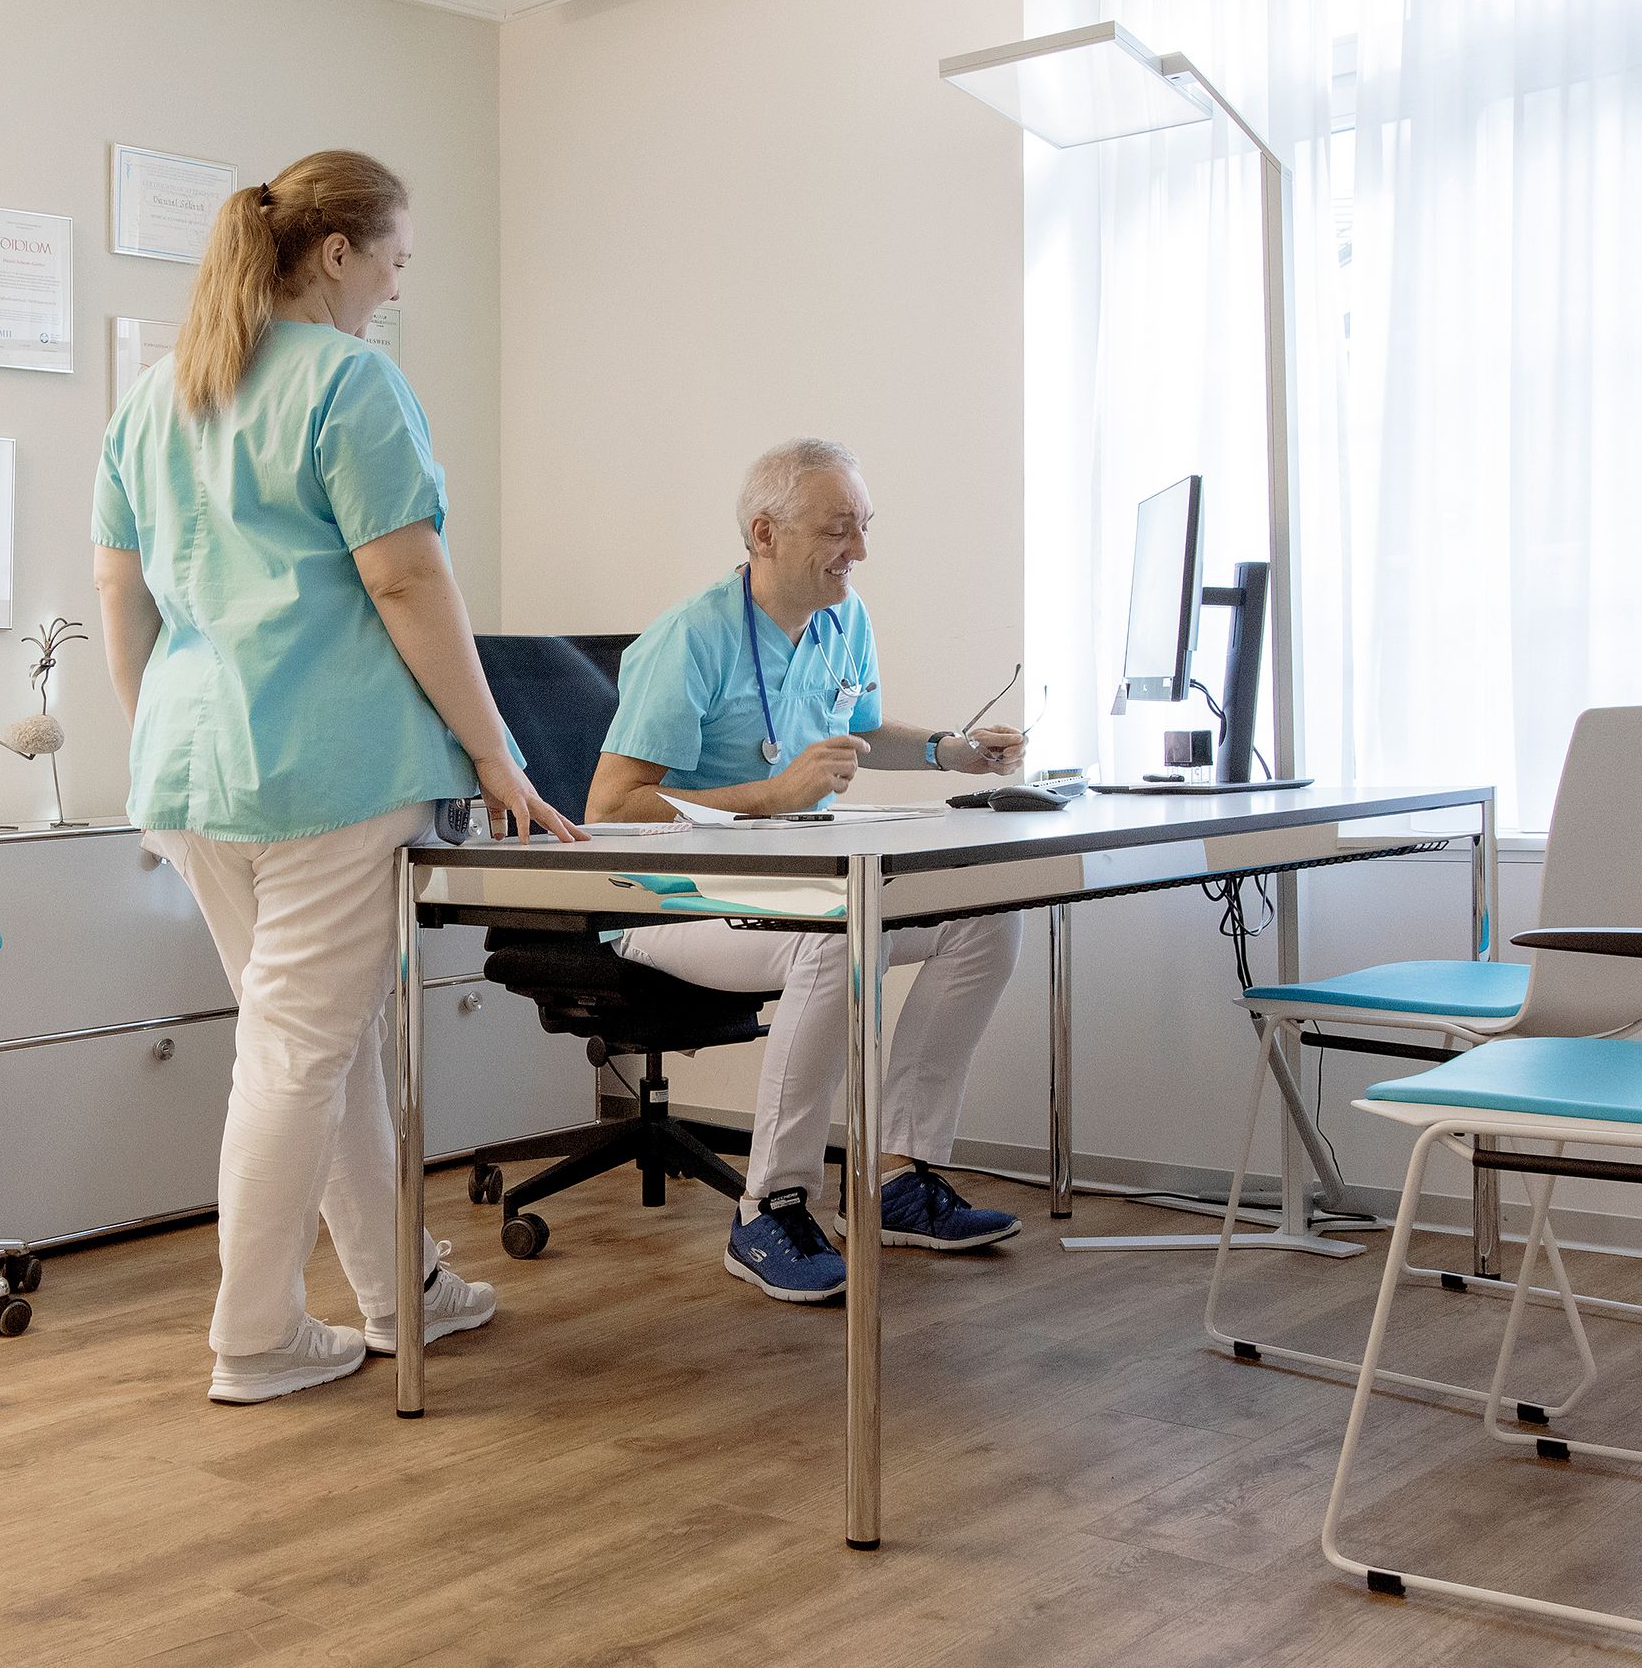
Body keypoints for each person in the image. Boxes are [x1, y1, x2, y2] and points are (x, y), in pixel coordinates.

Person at [94, 149, 583, 1404]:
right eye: (393, 264)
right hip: (329, 767)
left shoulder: (155, 397)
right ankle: (252, 1335)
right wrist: (496, 753)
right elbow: (405, 579)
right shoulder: (351, 381)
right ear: (333, 254)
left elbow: (120, 593)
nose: (390, 291)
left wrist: (159, 739)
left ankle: (396, 1287)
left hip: (197, 767)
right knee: (300, 1054)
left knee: (322, 1040)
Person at [585, 438, 1027, 1303]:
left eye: (863, 527)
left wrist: (952, 751)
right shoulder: (692, 637)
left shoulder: (841, 619)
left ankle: (901, 1177)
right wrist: (771, 794)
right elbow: (610, 806)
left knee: (986, 910)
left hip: (791, 887)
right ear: (765, 533)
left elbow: (859, 725)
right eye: (838, 530)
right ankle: (769, 1209)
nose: (858, 552)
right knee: (836, 935)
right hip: (669, 900)